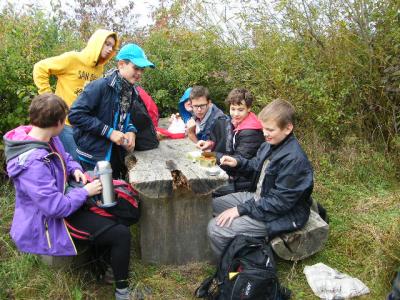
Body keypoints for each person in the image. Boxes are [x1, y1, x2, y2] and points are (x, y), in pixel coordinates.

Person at [3, 93, 138, 300]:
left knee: (117, 208)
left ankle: (102, 267)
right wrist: (85, 192)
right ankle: (123, 293)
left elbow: (66, 157)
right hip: (50, 222)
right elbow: (55, 208)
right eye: (64, 120)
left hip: (67, 198)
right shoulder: (32, 163)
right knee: (120, 234)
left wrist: (75, 170)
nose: (65, 124)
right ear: (57, 122)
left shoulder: (47, 137)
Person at [207, 99, 314, 257]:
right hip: (259, 200)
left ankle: (230, 271)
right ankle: (234, 249)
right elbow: (255, 166)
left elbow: (280, 203)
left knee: (215, 228)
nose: (264, 133)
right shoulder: (269, 145)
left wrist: (241, 209)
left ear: (288, 128)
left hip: (279, 214)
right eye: (263, 128)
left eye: (270, 130)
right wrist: (237, 162)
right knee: (208, 206)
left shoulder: (294, 160)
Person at [69, 43, 155, 179]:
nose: (139, 73)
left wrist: (131, 130)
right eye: (136, 68)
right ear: (121, 64)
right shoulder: (100, 86)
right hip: (93, 158)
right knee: (97, 199)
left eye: (142, 70)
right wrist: (109, 132)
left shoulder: (131, 91)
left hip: (115, 154)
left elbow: (125, 116)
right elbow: (75, 115)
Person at [33, 29, 119, 161]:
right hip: (65, 123)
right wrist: (49, 100)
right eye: (106, 44)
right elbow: (40, 68)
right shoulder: (72, 59)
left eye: (112, 46)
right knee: (74, 162)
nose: (109, 49)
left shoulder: (99, 69)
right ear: (97, 43)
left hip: (84, 125)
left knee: (81, 165)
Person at [196, 88, 265, 197]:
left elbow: (237, 162)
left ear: (249, 108)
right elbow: (228, 142)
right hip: (235, 176)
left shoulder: (250, 131)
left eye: (240, 109)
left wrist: (211, 155)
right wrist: (210, 143)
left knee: (202, 190)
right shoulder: (238, 122)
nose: (236, 113)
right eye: (233, 109)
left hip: (242, 183)